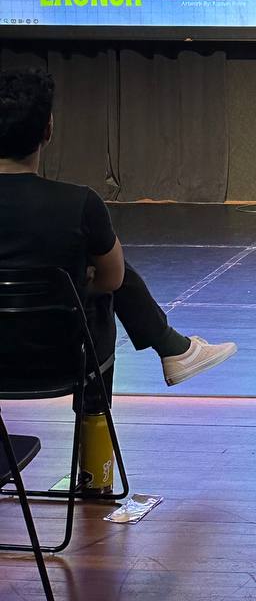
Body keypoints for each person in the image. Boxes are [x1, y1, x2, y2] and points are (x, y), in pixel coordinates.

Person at [0, 67, 237, 388]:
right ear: (48, 130)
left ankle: (173, 347)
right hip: (65, 361)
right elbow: (113, 279)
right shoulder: (79, 203)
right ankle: (164, 354)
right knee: (103, 274)